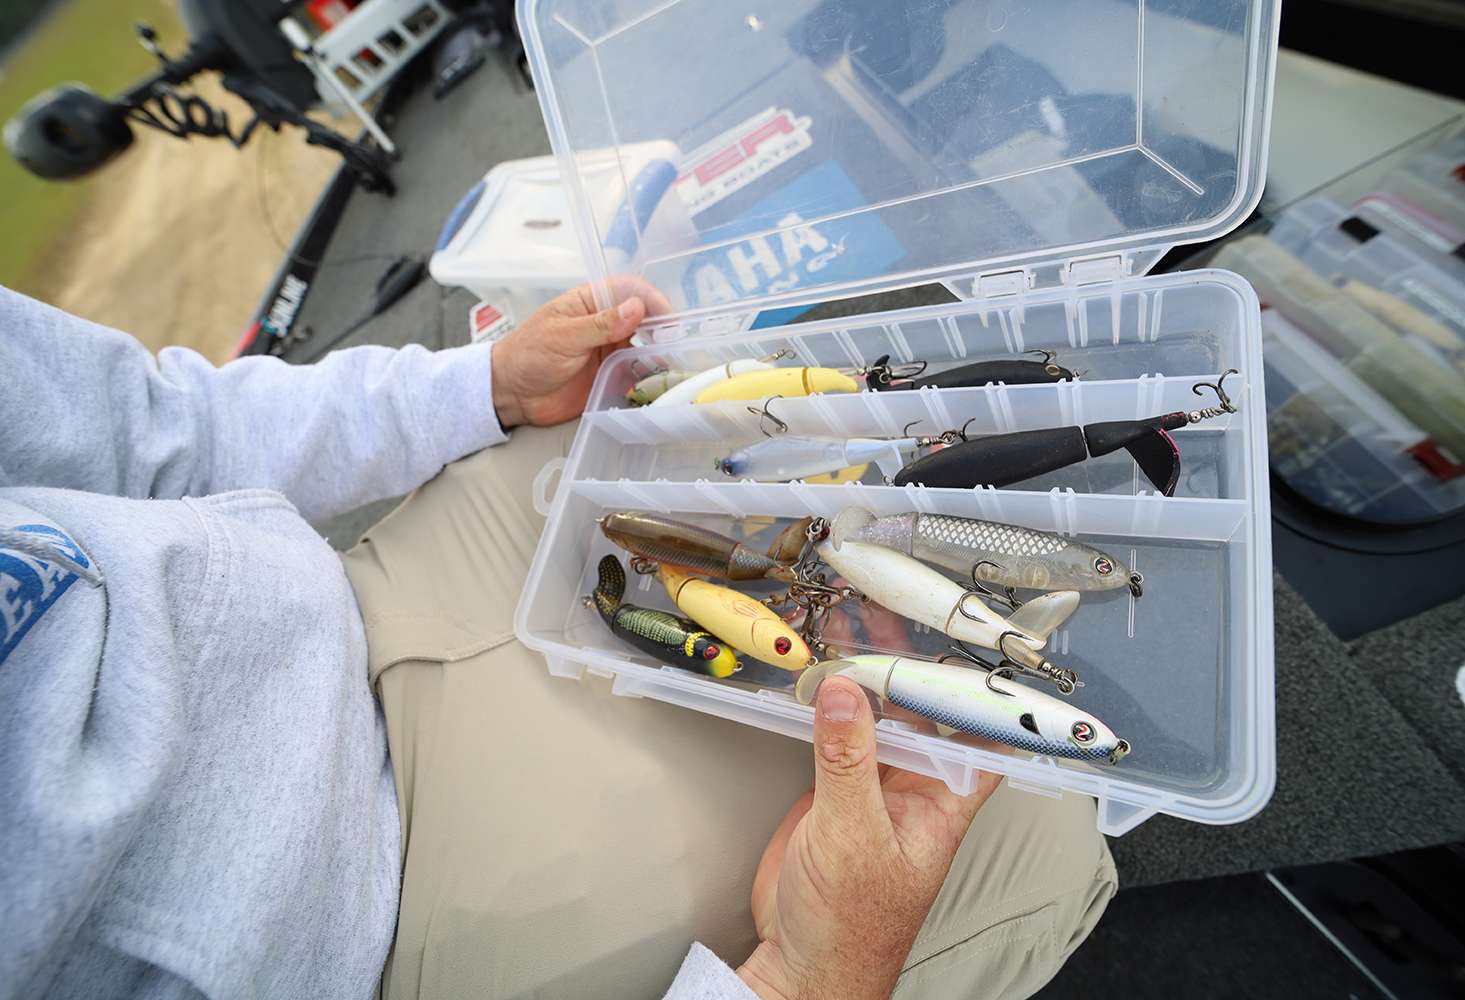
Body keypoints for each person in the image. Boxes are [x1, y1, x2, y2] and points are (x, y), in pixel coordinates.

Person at [0, 282, 1116, 1000]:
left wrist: (479, 387)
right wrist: (801, 982)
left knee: (732, 422)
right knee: (1035, 825)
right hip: (375, 942)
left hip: (332, 603)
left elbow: (145, 428)